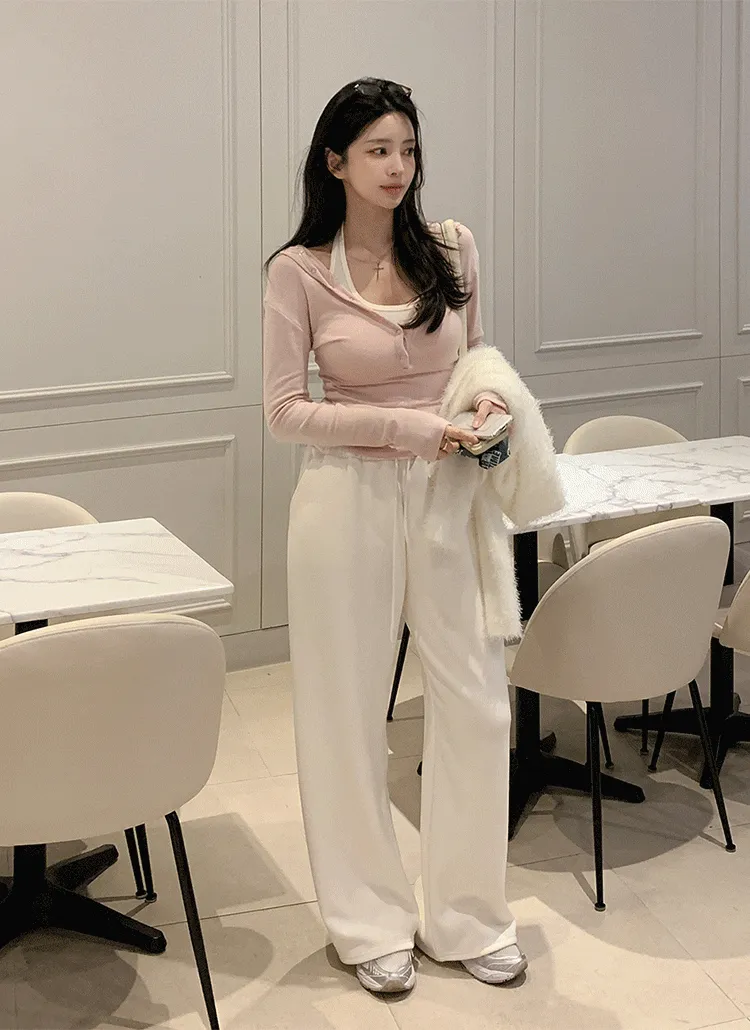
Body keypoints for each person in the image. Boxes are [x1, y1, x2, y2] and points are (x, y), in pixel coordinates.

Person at [262, 77, 527, 995]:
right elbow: (284, 411)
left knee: (478, 702)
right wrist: (410, 429)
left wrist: (489, 406)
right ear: (335, 162)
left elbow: (479, 359)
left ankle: (469, 915)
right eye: (378, 150)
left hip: (449, 494)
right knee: (345, 714)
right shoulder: (298, 271)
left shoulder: (452, 247)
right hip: (346, 500)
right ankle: (368, 920)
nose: (398, 167)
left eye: (407, 149)